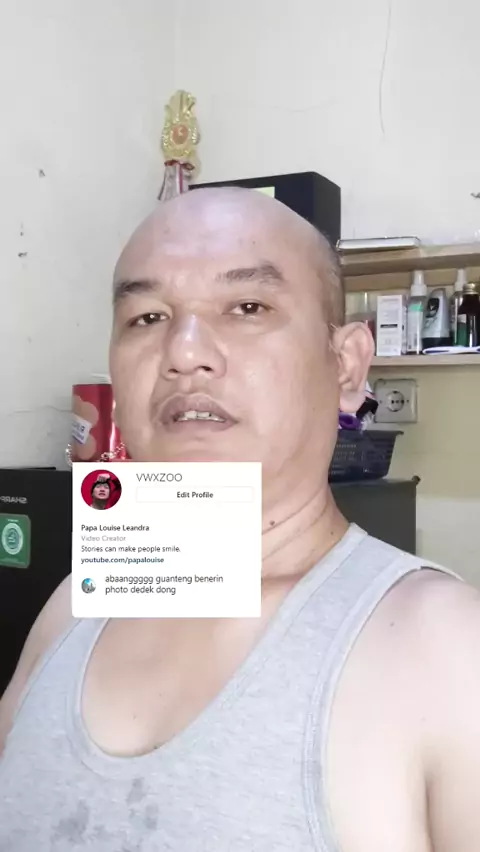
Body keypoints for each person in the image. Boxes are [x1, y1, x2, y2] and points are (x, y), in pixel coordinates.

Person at [0, 187, 479, 852]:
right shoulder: (73, 609)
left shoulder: (446, 650)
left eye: (248, 307)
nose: (183, 352)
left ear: (346, 366)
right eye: (146, 317)